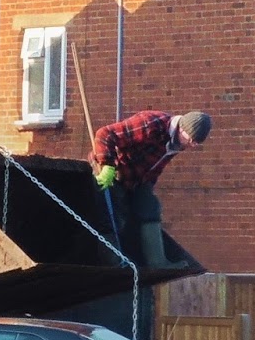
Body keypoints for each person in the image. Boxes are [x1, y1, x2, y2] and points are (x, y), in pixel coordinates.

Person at [90, 110, 211, 269]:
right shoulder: (151, 124)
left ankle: (157, 262)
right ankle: (114, 262)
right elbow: (105, 134)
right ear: (182, 129)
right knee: (113, 216)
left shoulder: (176, 143)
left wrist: (147, 186)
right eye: (191, 140)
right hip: (113, 171)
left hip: (137, 180)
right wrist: (107, 166)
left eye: (196, 143)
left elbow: (154, 166)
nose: (192, 145)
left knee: (150, 207)